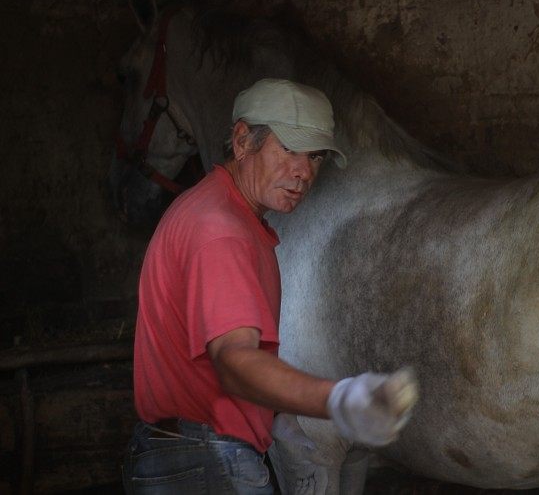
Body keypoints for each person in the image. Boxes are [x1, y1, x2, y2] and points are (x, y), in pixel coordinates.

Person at [122, 78, 418, 494]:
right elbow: (234, 361)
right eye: (290, 149)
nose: (304, 171)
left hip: (194, 455)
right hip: (205, 460)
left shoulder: (225, 214)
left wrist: (276, 417)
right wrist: (338, 400)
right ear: (243, 141)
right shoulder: (221, 231)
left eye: (314, 156)